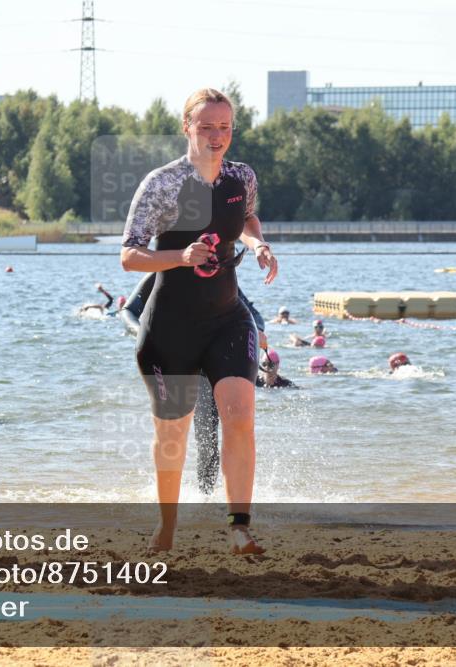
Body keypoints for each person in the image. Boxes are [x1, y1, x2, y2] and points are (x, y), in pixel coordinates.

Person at [120, 87, 278, 554]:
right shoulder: (162, 184)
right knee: (173, 432)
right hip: (170, 327)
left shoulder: (240, 177)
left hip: (227, 318)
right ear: (187, 127)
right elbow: (129, 256)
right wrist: (180, 256)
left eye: (225, 127)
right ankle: (167, 526)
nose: (217, 136)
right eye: (206, 127)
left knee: (240, 416)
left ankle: (239, 526)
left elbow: (248, 219)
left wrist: (258, 244)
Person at [122, 271, 269, 496]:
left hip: (216, 366)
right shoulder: (160, 275)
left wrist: (256, 329)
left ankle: (212, 498)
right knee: (187, 436)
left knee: (218, 432)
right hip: (179, 365)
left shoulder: (217, 274)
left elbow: (253, 314)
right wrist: (142, 331)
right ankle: (191, 497)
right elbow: (128, 311)